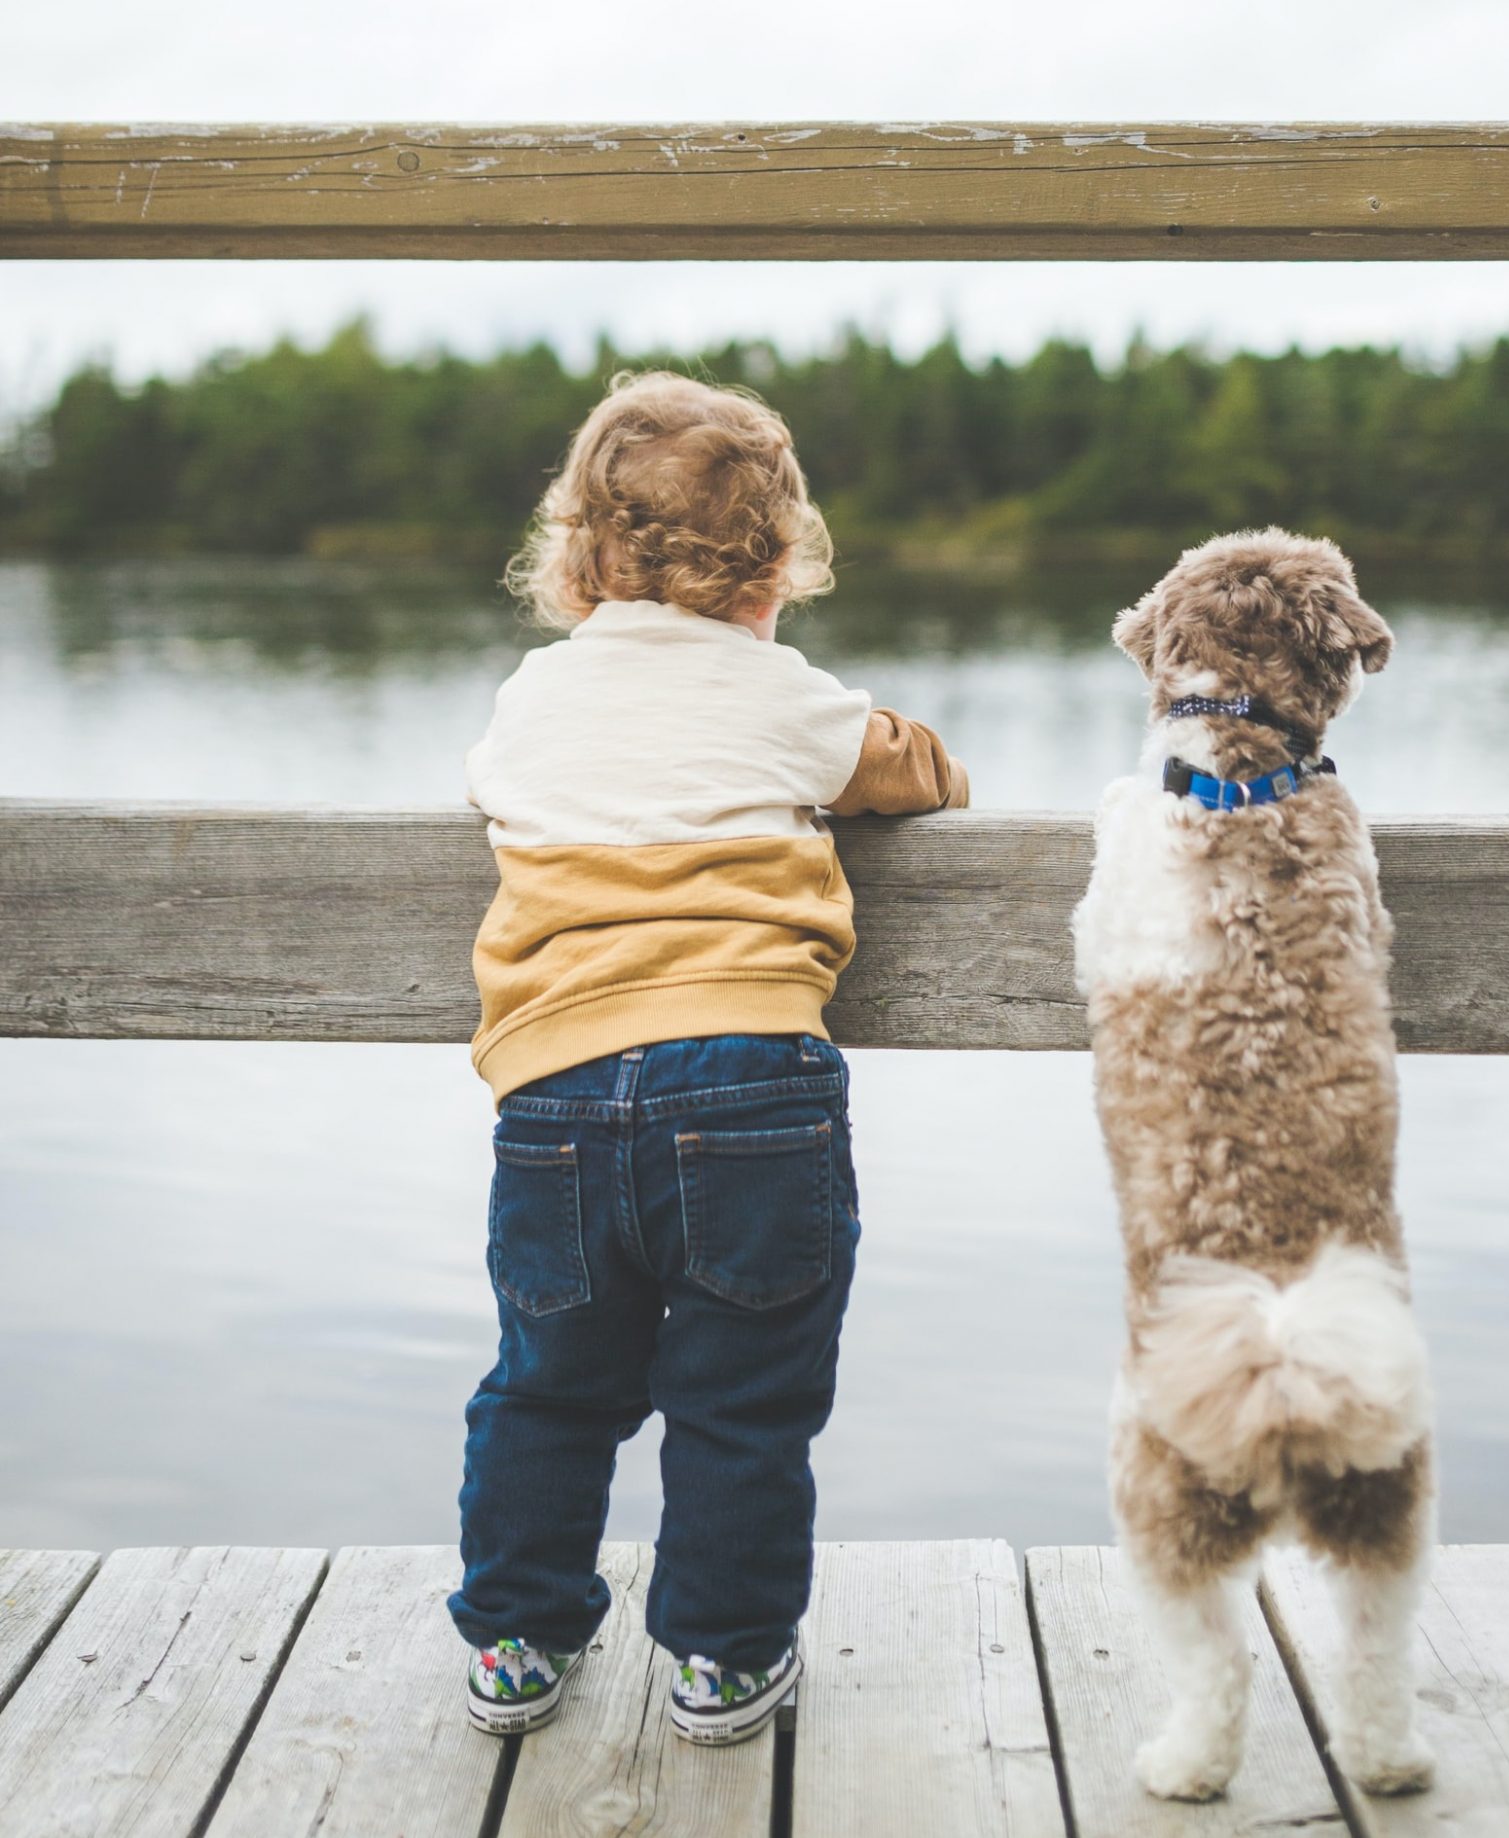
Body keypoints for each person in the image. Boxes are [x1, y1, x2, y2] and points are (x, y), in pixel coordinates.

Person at [447, 371, 967, 1744]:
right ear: (779, 565)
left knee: (549, 1384)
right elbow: (915, 773)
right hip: (749, 1087)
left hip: (554, 1095)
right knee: (743, 1402)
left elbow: (491, 784)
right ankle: (726, 1662)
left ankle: (515, 1637)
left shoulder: (533, 699)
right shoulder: (784, 694)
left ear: (575, 559)